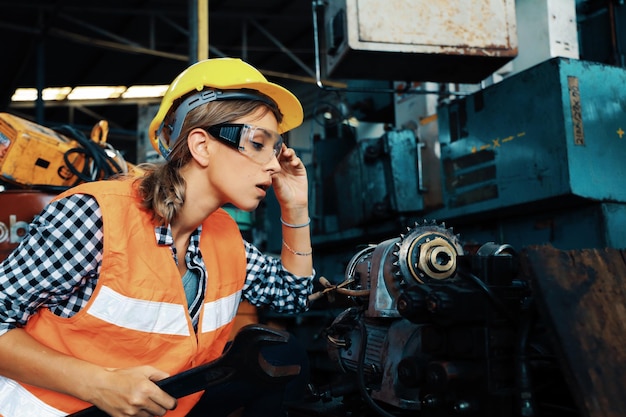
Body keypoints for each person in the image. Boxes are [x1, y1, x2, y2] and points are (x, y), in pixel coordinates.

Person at [0, 57, 314, 417]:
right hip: (58, 409)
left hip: (160, 408)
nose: (274, 164)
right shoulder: (95, 217)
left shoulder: (222, 236)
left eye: (276, 149)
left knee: (283, 355)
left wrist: (295, 209)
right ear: (201, 145)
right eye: (259, 143)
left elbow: (294, 295)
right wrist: (99, 383)